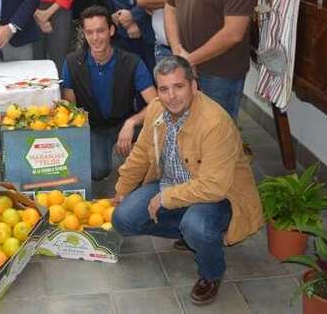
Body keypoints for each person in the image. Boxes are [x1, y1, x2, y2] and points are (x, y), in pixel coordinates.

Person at [112, 56, 263, 305]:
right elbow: (140, 153)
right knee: (123, 218)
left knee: (197, 227)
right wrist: (122, 190)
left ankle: (211, 273)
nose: (171, 96)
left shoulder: (215, 123)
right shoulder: (156, 109)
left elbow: (213, 187)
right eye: (164, 89)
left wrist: (165, 198)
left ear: (194, 86)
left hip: (218, 197)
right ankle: (190, 230)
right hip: (171, 183)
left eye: (179, 86)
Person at [61, 5, 157, 182]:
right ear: (84, 34)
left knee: (151, 151)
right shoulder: (72, 63)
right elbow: (69, 107)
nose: (95, 38)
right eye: (89, 32)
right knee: (97, 170)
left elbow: (156, 103)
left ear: (111, 30)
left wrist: (131, 122)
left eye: (100, 31)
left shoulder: (132, 62)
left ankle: (138, 163)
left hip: (125, 121)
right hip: (94, 127)